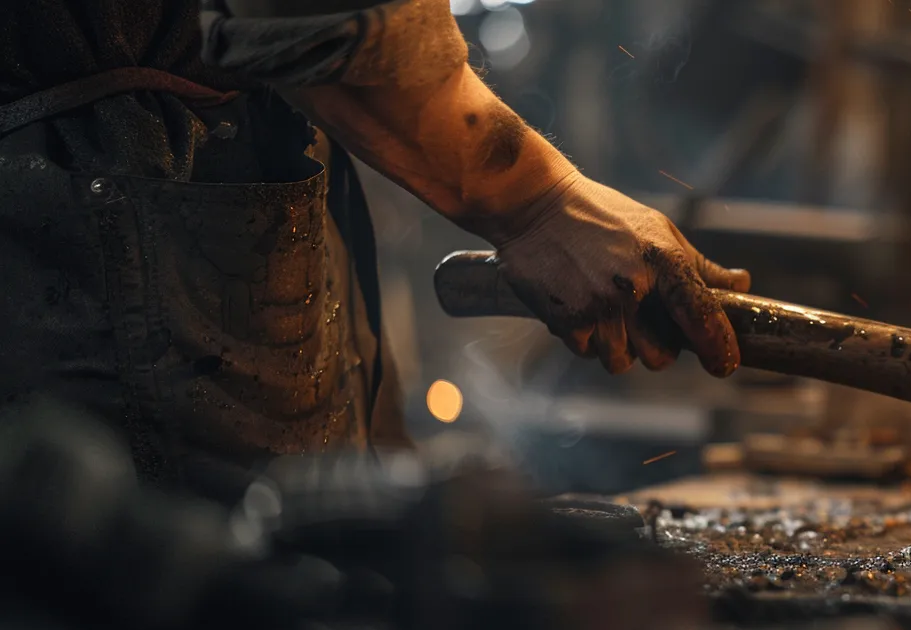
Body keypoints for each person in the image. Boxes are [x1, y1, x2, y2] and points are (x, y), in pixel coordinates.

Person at [0, 0, 749, 485]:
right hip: (98, 216)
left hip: (138, 197)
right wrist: (537, 203)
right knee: (214, 588)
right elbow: (324, 18)